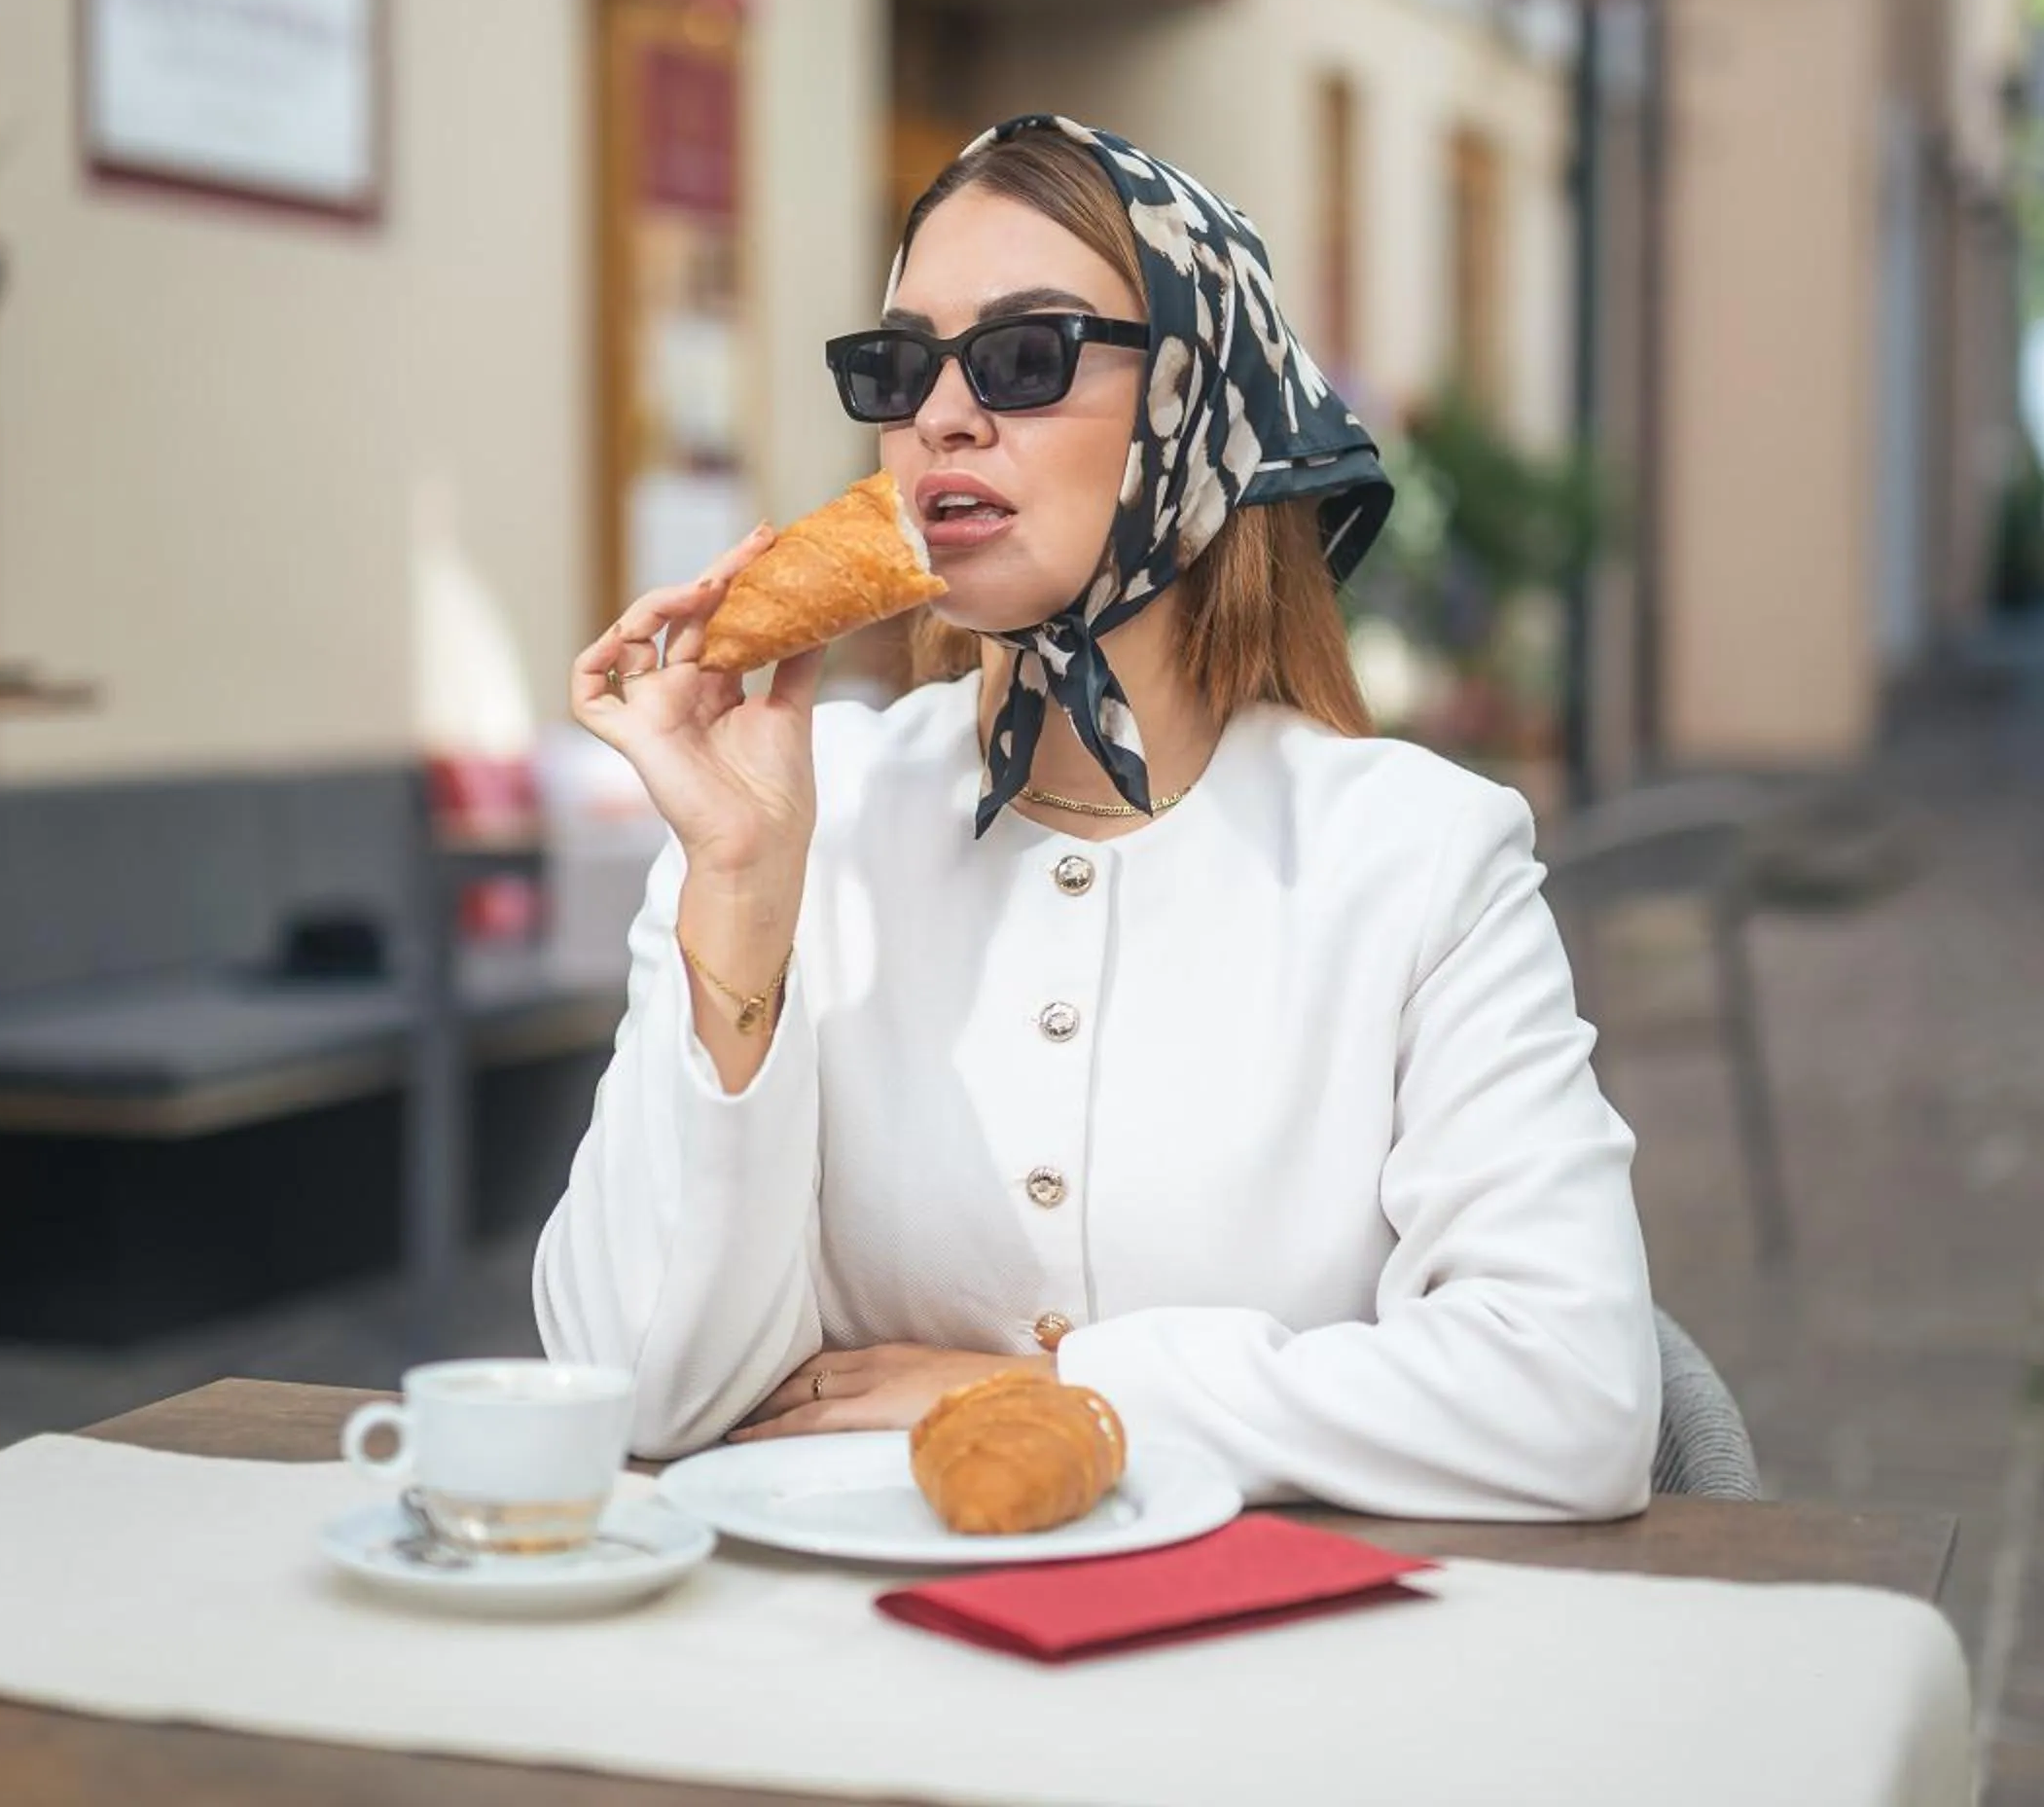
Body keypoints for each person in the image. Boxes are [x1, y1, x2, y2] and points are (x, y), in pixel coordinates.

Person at [536, 114, 1659, 1519]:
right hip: (844, 1630)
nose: (941, 418)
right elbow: (632, 1393)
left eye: (1024, 358)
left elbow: (1576, 1397)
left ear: (1195, 400)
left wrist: (1063, 1392)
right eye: (900, 367)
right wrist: (743, 889)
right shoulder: (790, 814)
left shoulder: (1420, 856)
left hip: (1274, 1641)